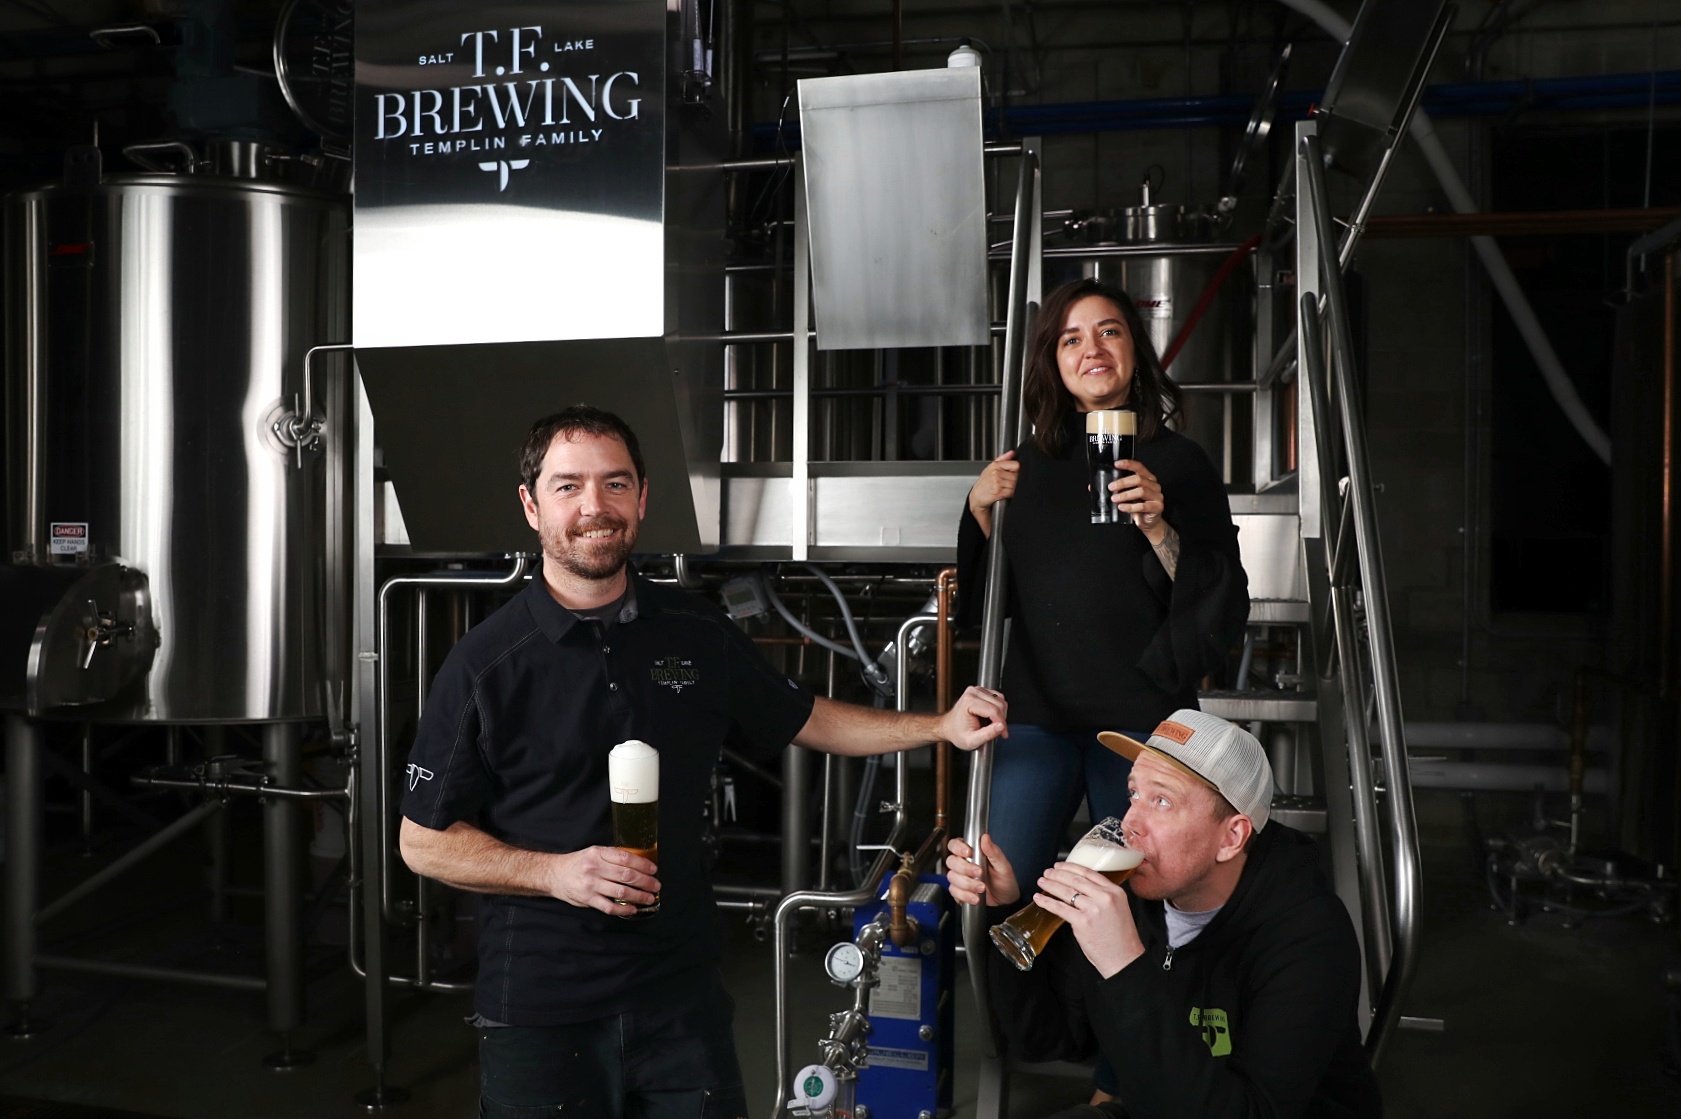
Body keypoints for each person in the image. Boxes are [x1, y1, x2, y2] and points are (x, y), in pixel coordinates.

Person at [398, 405, 1009, 1119]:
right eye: (568, 486)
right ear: (532, 505)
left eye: (614, 483)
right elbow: (422, 841)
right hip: (541, 1006)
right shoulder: (484, 664)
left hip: (679, 995)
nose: (594, 506)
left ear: (643, 498)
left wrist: (935, 724)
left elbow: (803, 715)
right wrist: (556, 871)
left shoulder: (694, 631)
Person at [957, 276, 1249, 932]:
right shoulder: (1020, 468)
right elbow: (980, 607)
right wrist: (976, 509)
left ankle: (1127, 1028)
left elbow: (1220, 600)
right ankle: (1031, 1035)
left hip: (1140, 715)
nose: (1091, 348)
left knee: (1141, 899)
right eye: (1071, 337)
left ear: (1133, 352)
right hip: (1034, 713)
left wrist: (1156, 525)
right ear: (1053, 362)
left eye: (1108, 330)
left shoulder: (1179, 463)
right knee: (1002, 889)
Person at [946, 709, 1380, 1119]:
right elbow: (1043, 1038)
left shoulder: (1310, 936)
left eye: (1162, 802)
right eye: (1134, 792)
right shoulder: (1134, 899)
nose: (1131, 821)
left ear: (1231, 837)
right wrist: (1004, 909)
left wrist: (1124, 965)